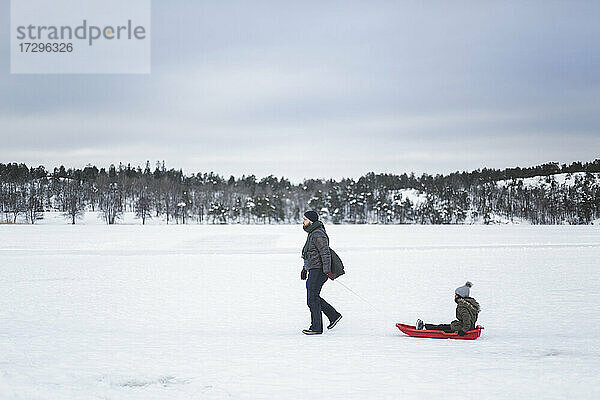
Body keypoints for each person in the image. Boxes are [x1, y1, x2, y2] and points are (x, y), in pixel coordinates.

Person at [300, 210, 342, 335]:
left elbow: (325, 253)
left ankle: (316, 328)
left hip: (319, 270)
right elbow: (309, 253)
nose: (303, 222)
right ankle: (333, 315)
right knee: (314, 297)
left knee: (312, 298)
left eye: (305, 219)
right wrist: (304, 268)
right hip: (313, 269)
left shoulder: (318, 234)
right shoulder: (312, 233)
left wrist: (327, 270)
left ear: (311, 221)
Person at [415, 281, 480, 336]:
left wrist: (463, 331)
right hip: (463, 326)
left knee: (441, 328)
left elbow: (467, 319)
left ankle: (424, 328)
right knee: (442, 326)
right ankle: (425, 326)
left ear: (460, 296)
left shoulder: (462, 306)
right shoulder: (470, 304)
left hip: (461, 328)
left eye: (456, 295)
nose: (455, 296)